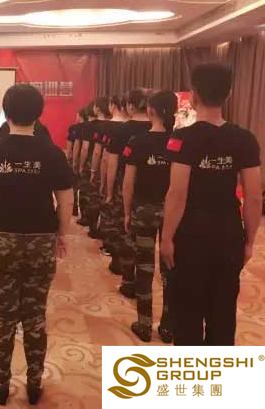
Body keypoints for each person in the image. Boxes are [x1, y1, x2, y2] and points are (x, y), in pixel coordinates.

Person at [0, 84, 73, 406]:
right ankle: (34, 382)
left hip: (2, 238)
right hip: (41, 239)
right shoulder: (53, 153)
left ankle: (1, 384)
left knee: (3, 315)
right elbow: (65, 200)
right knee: (35, 314)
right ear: (39, 113)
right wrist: (62, 234)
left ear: (6, 111)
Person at [162, 63, 262, 346]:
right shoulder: (245, 139)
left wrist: (166, 238)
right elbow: (254, 196)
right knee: (223, 315)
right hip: (228, 234)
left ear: (193, 95)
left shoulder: (182, 138)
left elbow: (177, 193)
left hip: (190, 235)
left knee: (187, 316)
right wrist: (249, 241)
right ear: (228, 94)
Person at [122, 91, 178, 343]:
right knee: (171, 268)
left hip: (143, 211)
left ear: (151, 111)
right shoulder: (178, 141)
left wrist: (126, 212)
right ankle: (168, 326)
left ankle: (144, 324)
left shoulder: (138, 141)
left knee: (144, 268)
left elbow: (128, 182)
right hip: (172, 213)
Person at [104, 90, 151, 295]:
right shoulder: (158, 129)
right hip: (152, 189)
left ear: (130, 106)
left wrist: (109, 190)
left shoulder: (122, 130)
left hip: (124, 183)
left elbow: (112, 163)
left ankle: (127, 277)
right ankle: (142, 281)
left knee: (124, 229)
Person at [97, 95, 128, 254]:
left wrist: (103, 183)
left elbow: (105, 157)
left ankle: (109, 246)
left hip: (116, 178)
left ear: (113, 105)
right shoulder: (148, 128)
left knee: (111, 212)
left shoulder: (110, 128)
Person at [81, 97, 111, 237]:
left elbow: (87, 148)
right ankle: (104, 229)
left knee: (93, 196)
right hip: (112, 166)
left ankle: (92, 227)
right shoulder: (114, 125)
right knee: (107, 197)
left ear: (97, 108)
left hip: (94, 163)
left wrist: (85, 166)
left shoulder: (89, 126)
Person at [74, 102, 97, 225]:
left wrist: (79, 164)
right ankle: (95, 221)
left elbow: (83, 147)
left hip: (88, 161)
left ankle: (85, 217)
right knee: (96, 192)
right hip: (100, 163)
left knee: (84, 190)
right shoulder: (106, 126)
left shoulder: (84, 127)